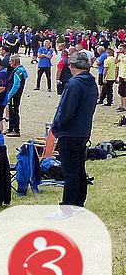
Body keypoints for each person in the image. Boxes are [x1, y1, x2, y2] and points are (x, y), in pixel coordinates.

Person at [50, 51, 98, 216]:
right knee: (79, 170)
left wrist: (55, 127)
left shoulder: (74, 84)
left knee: (70, 173)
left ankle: (67, 209)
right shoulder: (91, 83)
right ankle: (78, 204)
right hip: (83, 131)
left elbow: (65, 111)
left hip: (69, 133)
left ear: (72, 66)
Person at [4, 55, 28, 137]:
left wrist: (9, 95)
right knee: (11, 110)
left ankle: (16, 130)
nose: (9, 62)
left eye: (10, 61)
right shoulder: (21, 70)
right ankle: (10, 128)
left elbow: (16, 85)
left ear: (14, 62)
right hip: (15, 94)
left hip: (15, 95)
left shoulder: (18, 72)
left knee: (14, 111)